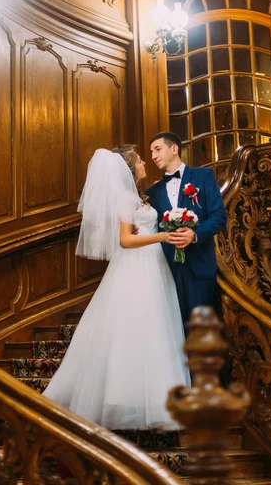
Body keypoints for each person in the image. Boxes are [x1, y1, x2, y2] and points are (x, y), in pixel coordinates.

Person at [43, 145, 190, 431]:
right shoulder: (124, 197)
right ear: (128, 167)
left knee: (154, 329)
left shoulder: (136, 196)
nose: (145, 161)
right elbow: (125, 240)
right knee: (133, 330)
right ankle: (126, 401)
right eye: (139, 159)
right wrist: (163, 234)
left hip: (152, 264)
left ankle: (156, 398)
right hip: (137, 267)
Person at [146, 132, 227, 326]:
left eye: (157, 149)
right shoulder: (152, 193)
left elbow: (219, 216)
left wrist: (195, 234)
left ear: (174, 149)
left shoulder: (203, 176)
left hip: (200, 267)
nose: (153, 156)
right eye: (150, 152)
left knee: (202, 332)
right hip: (167, 272)